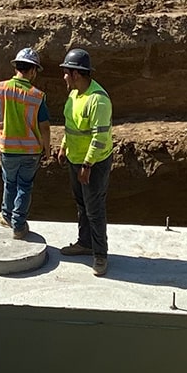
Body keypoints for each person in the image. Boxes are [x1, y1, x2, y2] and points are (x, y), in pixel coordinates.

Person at [54, 49, 114, 276]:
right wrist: (63, 147)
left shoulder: (98, 100)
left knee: (95, 209)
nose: (64, 77)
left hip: (93, 164)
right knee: (81, 203)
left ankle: (100, 255)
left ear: (76, 74)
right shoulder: (74, 94)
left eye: (66, 73)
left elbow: (99, 137)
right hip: (75, 159)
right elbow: (71, 125)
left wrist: (87, 166)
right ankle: (85, 242)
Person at [0, 47, 52, 239]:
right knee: (24, 186)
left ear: (16, 67)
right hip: (31, 151)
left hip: (7, 148)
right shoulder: (36, 95)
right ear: (32, 70)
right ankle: (19, 225)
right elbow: (45, 126)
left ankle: (6, 215)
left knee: (9, 182)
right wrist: (47, 149)